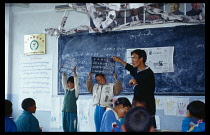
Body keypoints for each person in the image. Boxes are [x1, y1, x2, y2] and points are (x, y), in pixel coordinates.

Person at [112, 49, 156, 129]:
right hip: (138, 106)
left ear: (141, 58)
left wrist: (135, 82)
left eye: (134, 58)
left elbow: (141, 92)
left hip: (147, 107)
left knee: (146, 128)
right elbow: (130, 68)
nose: (132, 60)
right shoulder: (137, 70)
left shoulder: (148, 73)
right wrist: (119, 60)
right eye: (131, 58)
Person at [61, 66, 79, 132]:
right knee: (65, 126)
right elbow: (63, 82)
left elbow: (77, 83)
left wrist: (74, 73)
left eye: (71, 83)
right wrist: (63, 74)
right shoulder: (66, 90)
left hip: (72, 112)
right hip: (64, 111)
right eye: (68, 83)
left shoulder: (76, 91)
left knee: (73, 128)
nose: (69, 85)